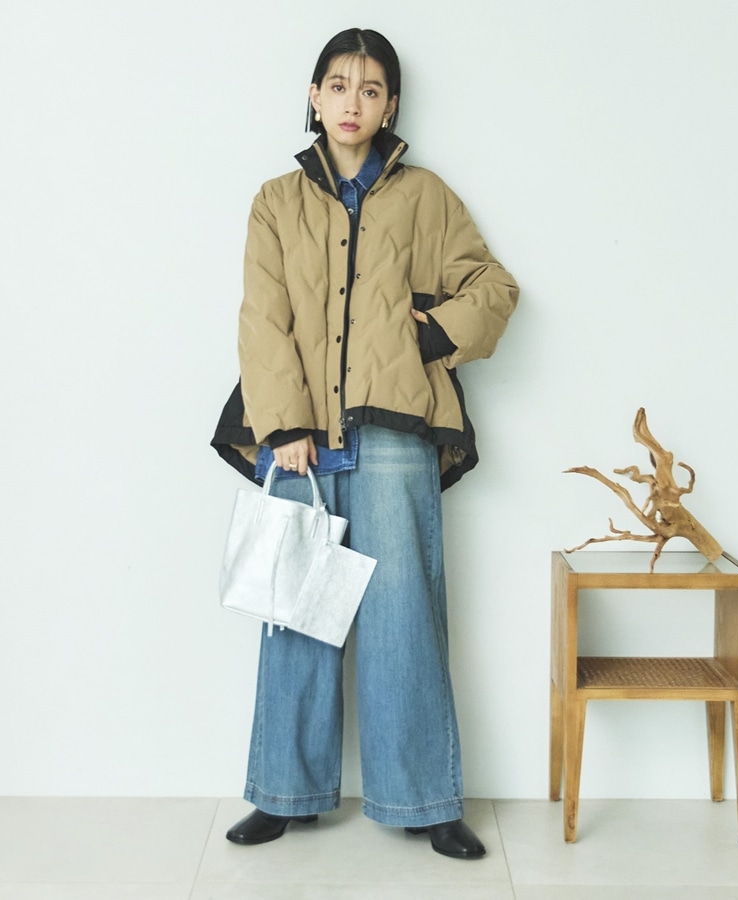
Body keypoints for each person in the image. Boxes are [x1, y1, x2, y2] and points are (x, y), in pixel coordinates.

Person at [212, 27, 519, 860]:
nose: (354, 101)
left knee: (402, 617)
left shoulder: (427, 198)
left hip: (393, 432)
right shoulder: (276, 201)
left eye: (372, 88)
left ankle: (424, 801)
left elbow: (493, 288)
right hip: (300, 436)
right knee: (294, 613)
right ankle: (284, 793)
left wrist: (429, 336)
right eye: (339, 84)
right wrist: (284, 426)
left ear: (391, 106)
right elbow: (263, 318)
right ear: (315, 97)